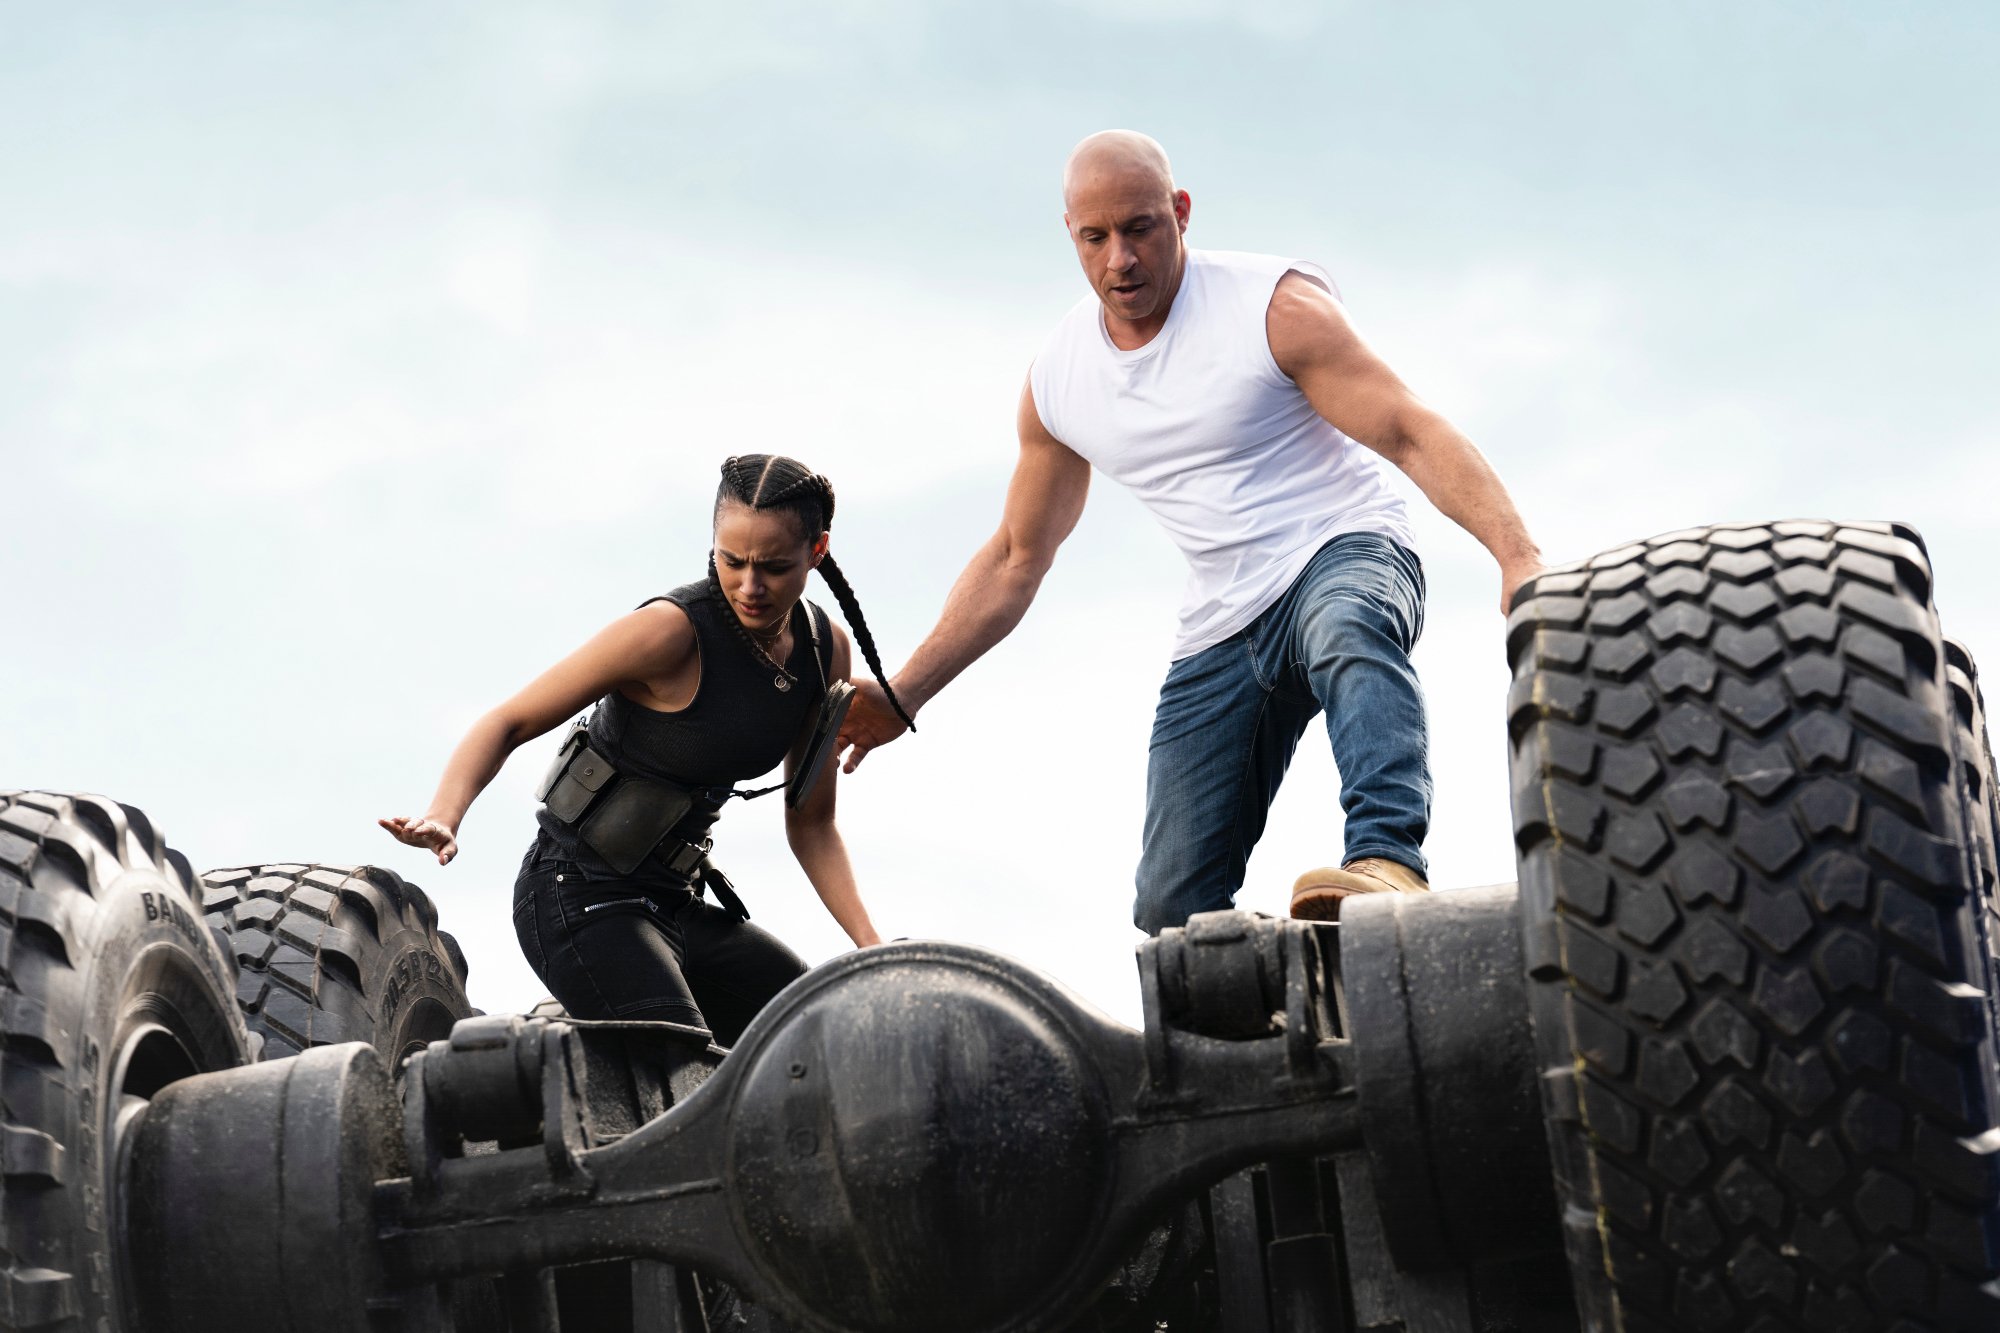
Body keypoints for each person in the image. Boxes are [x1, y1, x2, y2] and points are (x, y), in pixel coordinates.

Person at [836, 130, 1546, 933]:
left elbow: (1409, 430)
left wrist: (1516, 555)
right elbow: (1014, 557)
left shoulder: (1272, 309)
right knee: (1170, 910)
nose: (1121, 261)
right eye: (1096, 238)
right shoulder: (1061, 380)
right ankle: (1274, 1021)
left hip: (1343, 546)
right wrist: (904, 692)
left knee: (1345, 625)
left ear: (1179, 213)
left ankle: (1386, 862)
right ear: (1069, 233)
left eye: (1140, 229)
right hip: (1223, 622)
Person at [382, 454, 916, 1046]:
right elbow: (507, 721)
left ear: (817, 552)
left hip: (676, 906)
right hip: (577, 896)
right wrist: (444, 814)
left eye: (774, 567)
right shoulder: (669, 632)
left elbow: (812, 823)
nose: (749, 585)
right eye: (731, 560)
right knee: (687, 1068)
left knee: (819, 1039)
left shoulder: (823, 651)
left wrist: (870, 946)